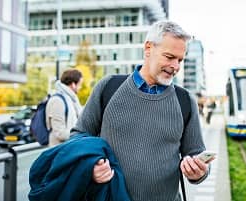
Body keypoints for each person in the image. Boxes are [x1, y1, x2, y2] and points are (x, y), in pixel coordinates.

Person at [72, 20, 212, 201]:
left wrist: (198, 173)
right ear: (148, 49)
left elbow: (196, 155)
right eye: (169, 57)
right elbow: (78, 135)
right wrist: (90, 166)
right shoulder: (108, 88)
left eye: (180, 60)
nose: (176, 66)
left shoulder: (185, 101)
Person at [46, 68, 83, 146]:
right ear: (73, 84)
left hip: (70, 147)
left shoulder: (72, 100)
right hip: (60, 152)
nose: (80, 87)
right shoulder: (57, 101)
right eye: (80, 84)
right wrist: (80, 134)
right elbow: (59, 133)